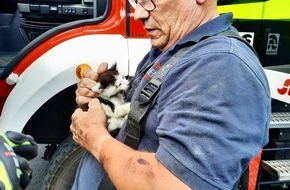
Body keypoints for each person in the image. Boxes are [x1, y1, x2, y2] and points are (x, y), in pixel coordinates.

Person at [70, 0, 271, 189]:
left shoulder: (223, 68)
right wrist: (103, 100)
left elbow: (172, 183)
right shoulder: (173, 49)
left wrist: (95, 137)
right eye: (137, 2)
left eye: (149, 0)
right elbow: (135, 118)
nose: (138, 13)